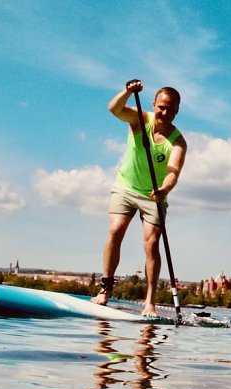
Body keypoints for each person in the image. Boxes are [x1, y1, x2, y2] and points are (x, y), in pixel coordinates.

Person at [90, 79, 187, 317]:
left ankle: (149, 302)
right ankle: (105, 289)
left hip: (154, 195)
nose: (164, 112)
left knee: (151, 243)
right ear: (154, 104)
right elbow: (114, 109)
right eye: (161, 107)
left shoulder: (178, 141)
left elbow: (173, 173)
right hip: (126, 186)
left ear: (177, 111)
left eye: (170, 109)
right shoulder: (141, 119)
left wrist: (164, 190)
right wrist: (127, 91)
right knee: (115, 230)